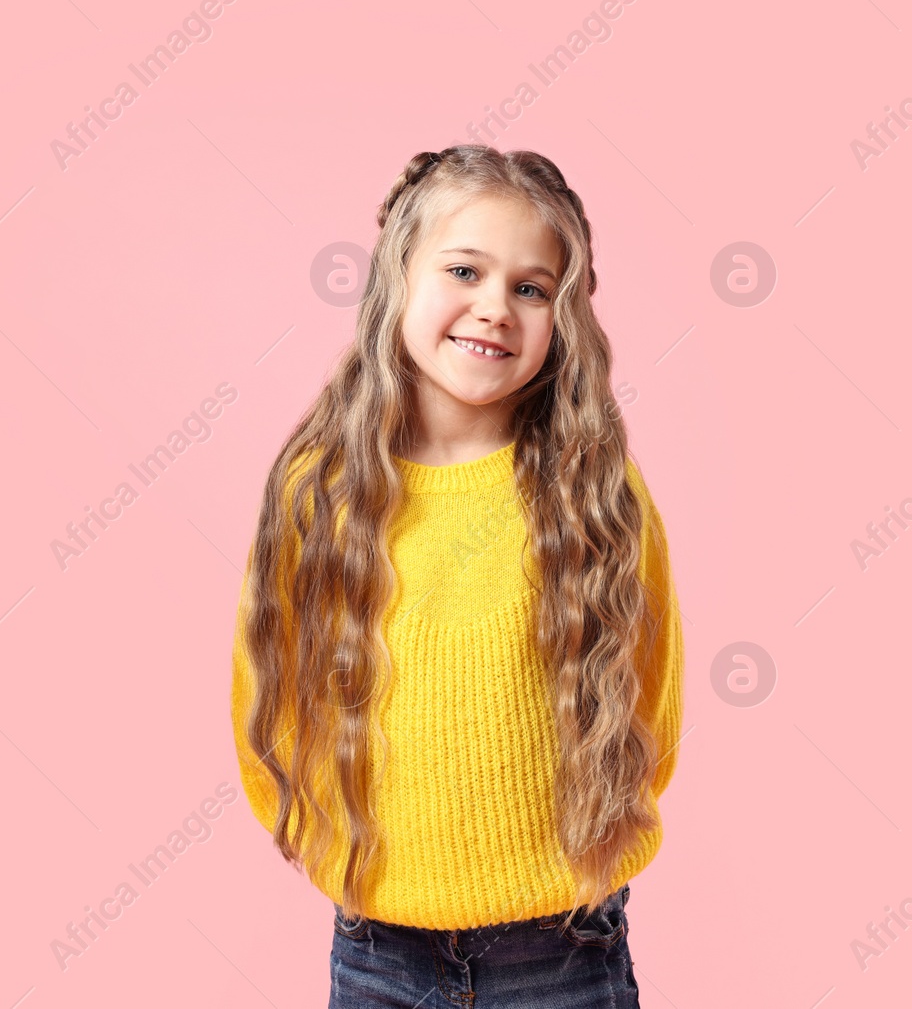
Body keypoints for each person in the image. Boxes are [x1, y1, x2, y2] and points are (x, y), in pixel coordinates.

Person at [229, 143, 684, 1007]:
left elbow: (648, 697)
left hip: (562, 951)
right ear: (399, 275)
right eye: (465, 269)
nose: (495, 308)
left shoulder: (595, 493)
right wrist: (335, 847)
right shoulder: (320, 491)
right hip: (378, 951)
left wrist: (583, 843)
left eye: (531, 287)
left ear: (563, 315)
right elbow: (271, 688)